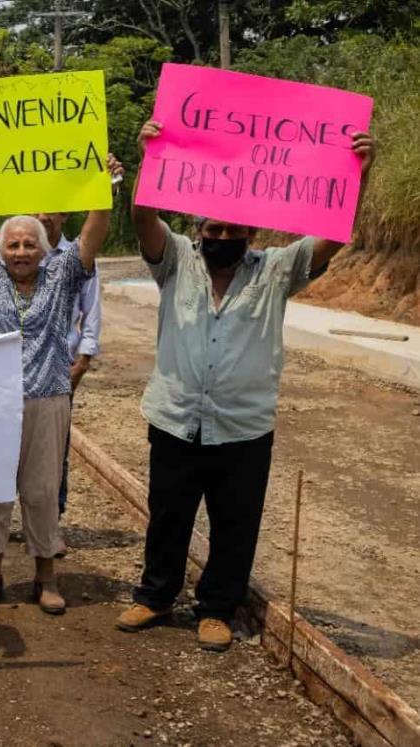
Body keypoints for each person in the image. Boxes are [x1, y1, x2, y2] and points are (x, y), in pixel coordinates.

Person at [116, 120, 375, 652]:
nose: (224, 239)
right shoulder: (176, 262)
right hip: (175, 416)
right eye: (214, 231)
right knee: (168, 513)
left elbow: (334, 234)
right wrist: (153, 158)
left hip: (243, 426)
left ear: (253, 234)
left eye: (235, 232)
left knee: (235, 523)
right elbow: (144, 218)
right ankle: (156, 596)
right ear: (199, 229)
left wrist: (357, 176)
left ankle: (217, 607)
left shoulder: (278, 270)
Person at [0, 154, 123, 616]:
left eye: (29, 245)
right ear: (2, 250)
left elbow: (94, 233)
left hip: (48, 398)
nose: (20, 251)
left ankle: (46, 577)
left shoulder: (63, 274)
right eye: (13, 244)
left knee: (41, 491)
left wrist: (103, 185)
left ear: (43, 249)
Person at [34, 212, 102, 538]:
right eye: (36, 206)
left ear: (64, 213)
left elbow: (91, 311)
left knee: (55, 449)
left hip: (59, 369)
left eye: (51, 207)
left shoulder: (79, 255)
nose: (43, 215)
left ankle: (51, 524)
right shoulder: (9, 249)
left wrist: (83, 360)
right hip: (12, 372)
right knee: (2, 443)